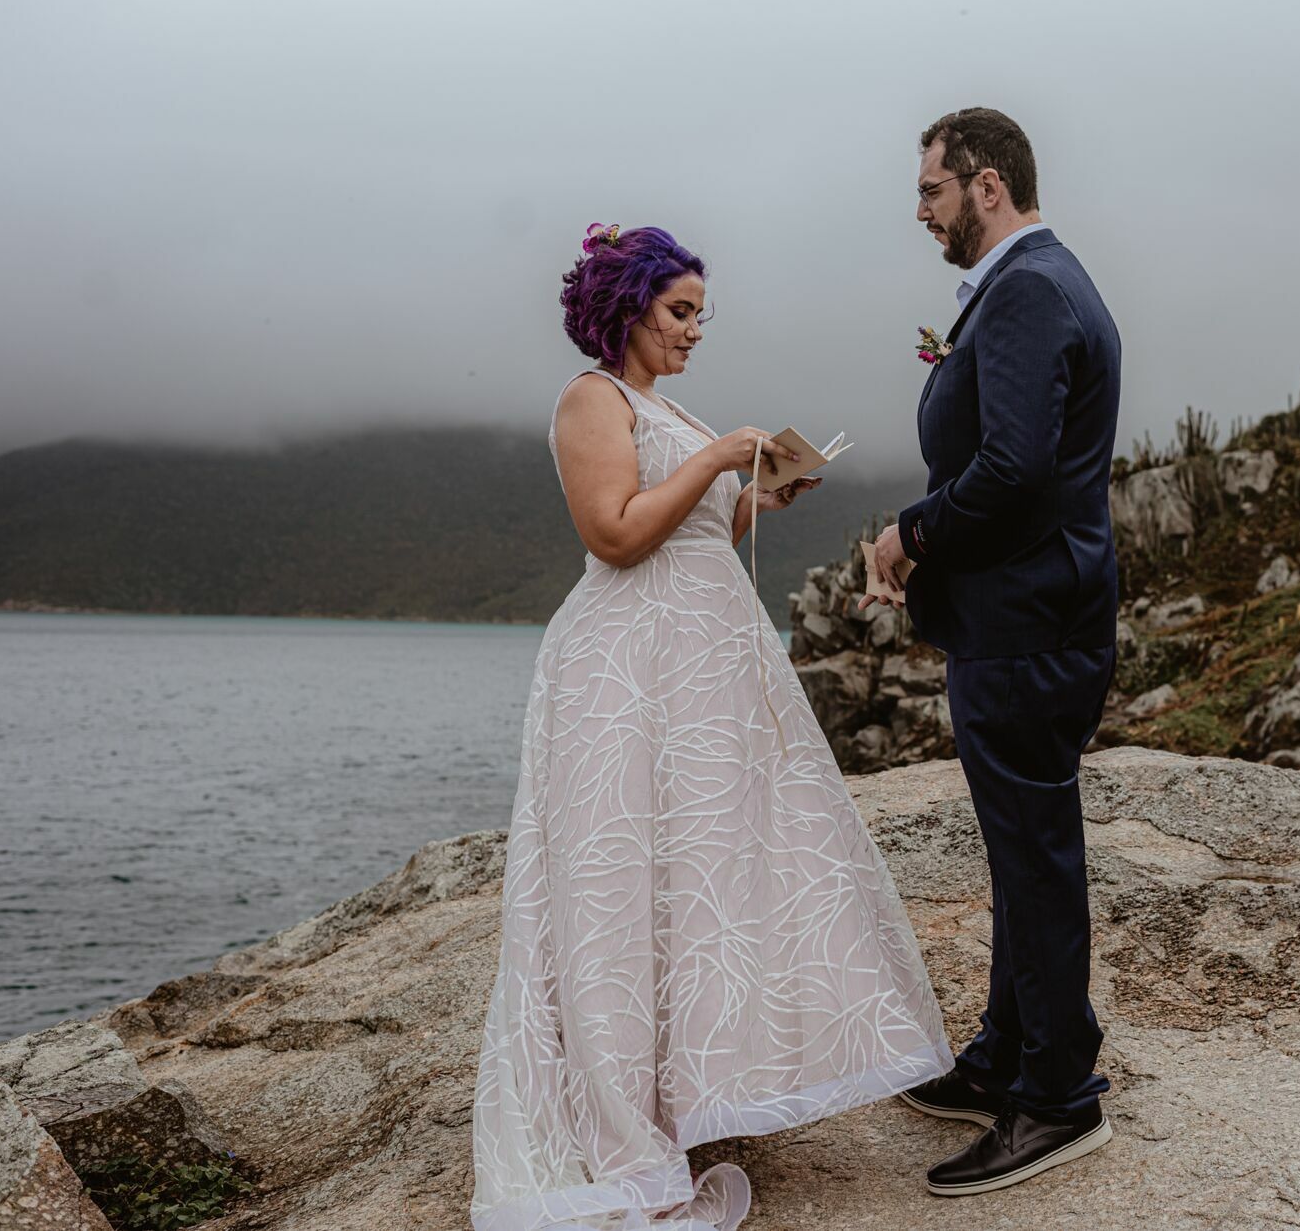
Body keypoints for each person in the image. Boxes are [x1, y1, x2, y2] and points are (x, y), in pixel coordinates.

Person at [470, 224, 952, 1231]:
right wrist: (722, 455)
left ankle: (692, 1081)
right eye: (681, 310)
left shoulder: (665, 407)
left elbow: (690, 530)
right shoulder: (589, 400)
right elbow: (613, 532)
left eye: (702, 314)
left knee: (701, 873)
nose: (696, 330)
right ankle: (616, 1111)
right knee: (620, 882)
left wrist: (761, 489)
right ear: (630, 305)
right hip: (626, 670)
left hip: (695, 669)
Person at [866, 109, 1122, 1196]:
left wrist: (912, 535)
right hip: (1034, 613)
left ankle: (1058, 1097)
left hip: (1025, 623)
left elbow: (1016, 468)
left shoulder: (1024, 291)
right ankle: (1007, 1054)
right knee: (1021, 850)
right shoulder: (1049, 279)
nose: (919, 212)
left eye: (929, 191)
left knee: (1034, 856)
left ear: (984, 185)